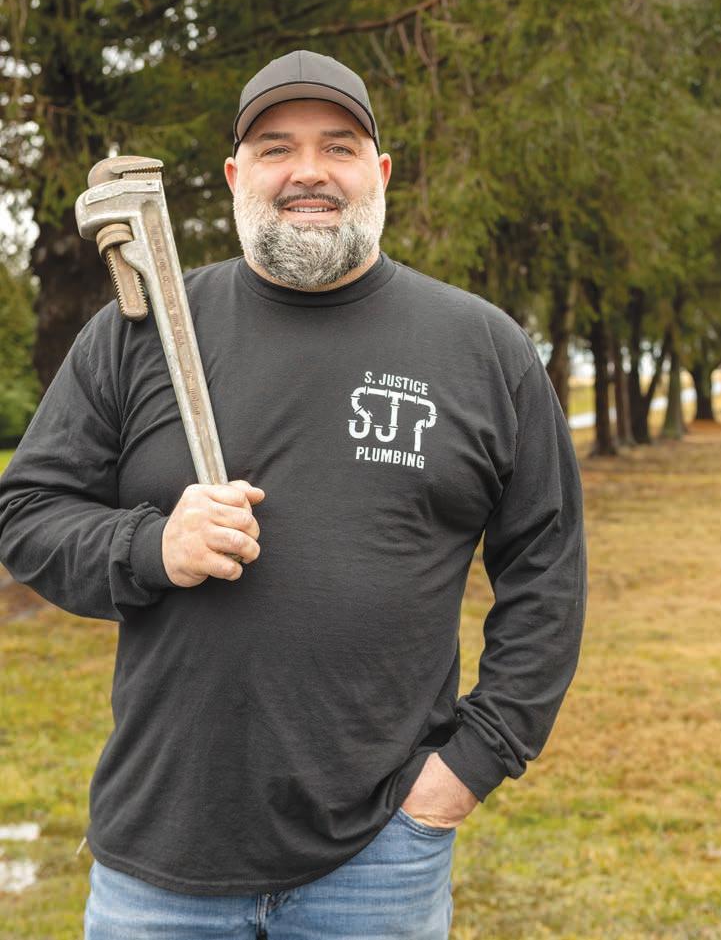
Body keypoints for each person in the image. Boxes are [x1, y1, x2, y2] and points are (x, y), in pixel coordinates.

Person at [0, 50, 587, 939]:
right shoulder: (139, 332)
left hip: (380, 855)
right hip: (162, 847)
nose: (308, 170)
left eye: (337, 146)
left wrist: (467, 768)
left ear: (378, 172)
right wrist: (152, 547)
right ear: (235, 176)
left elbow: (547, 572)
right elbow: (27, 514)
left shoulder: (482, 349)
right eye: (275, 147)